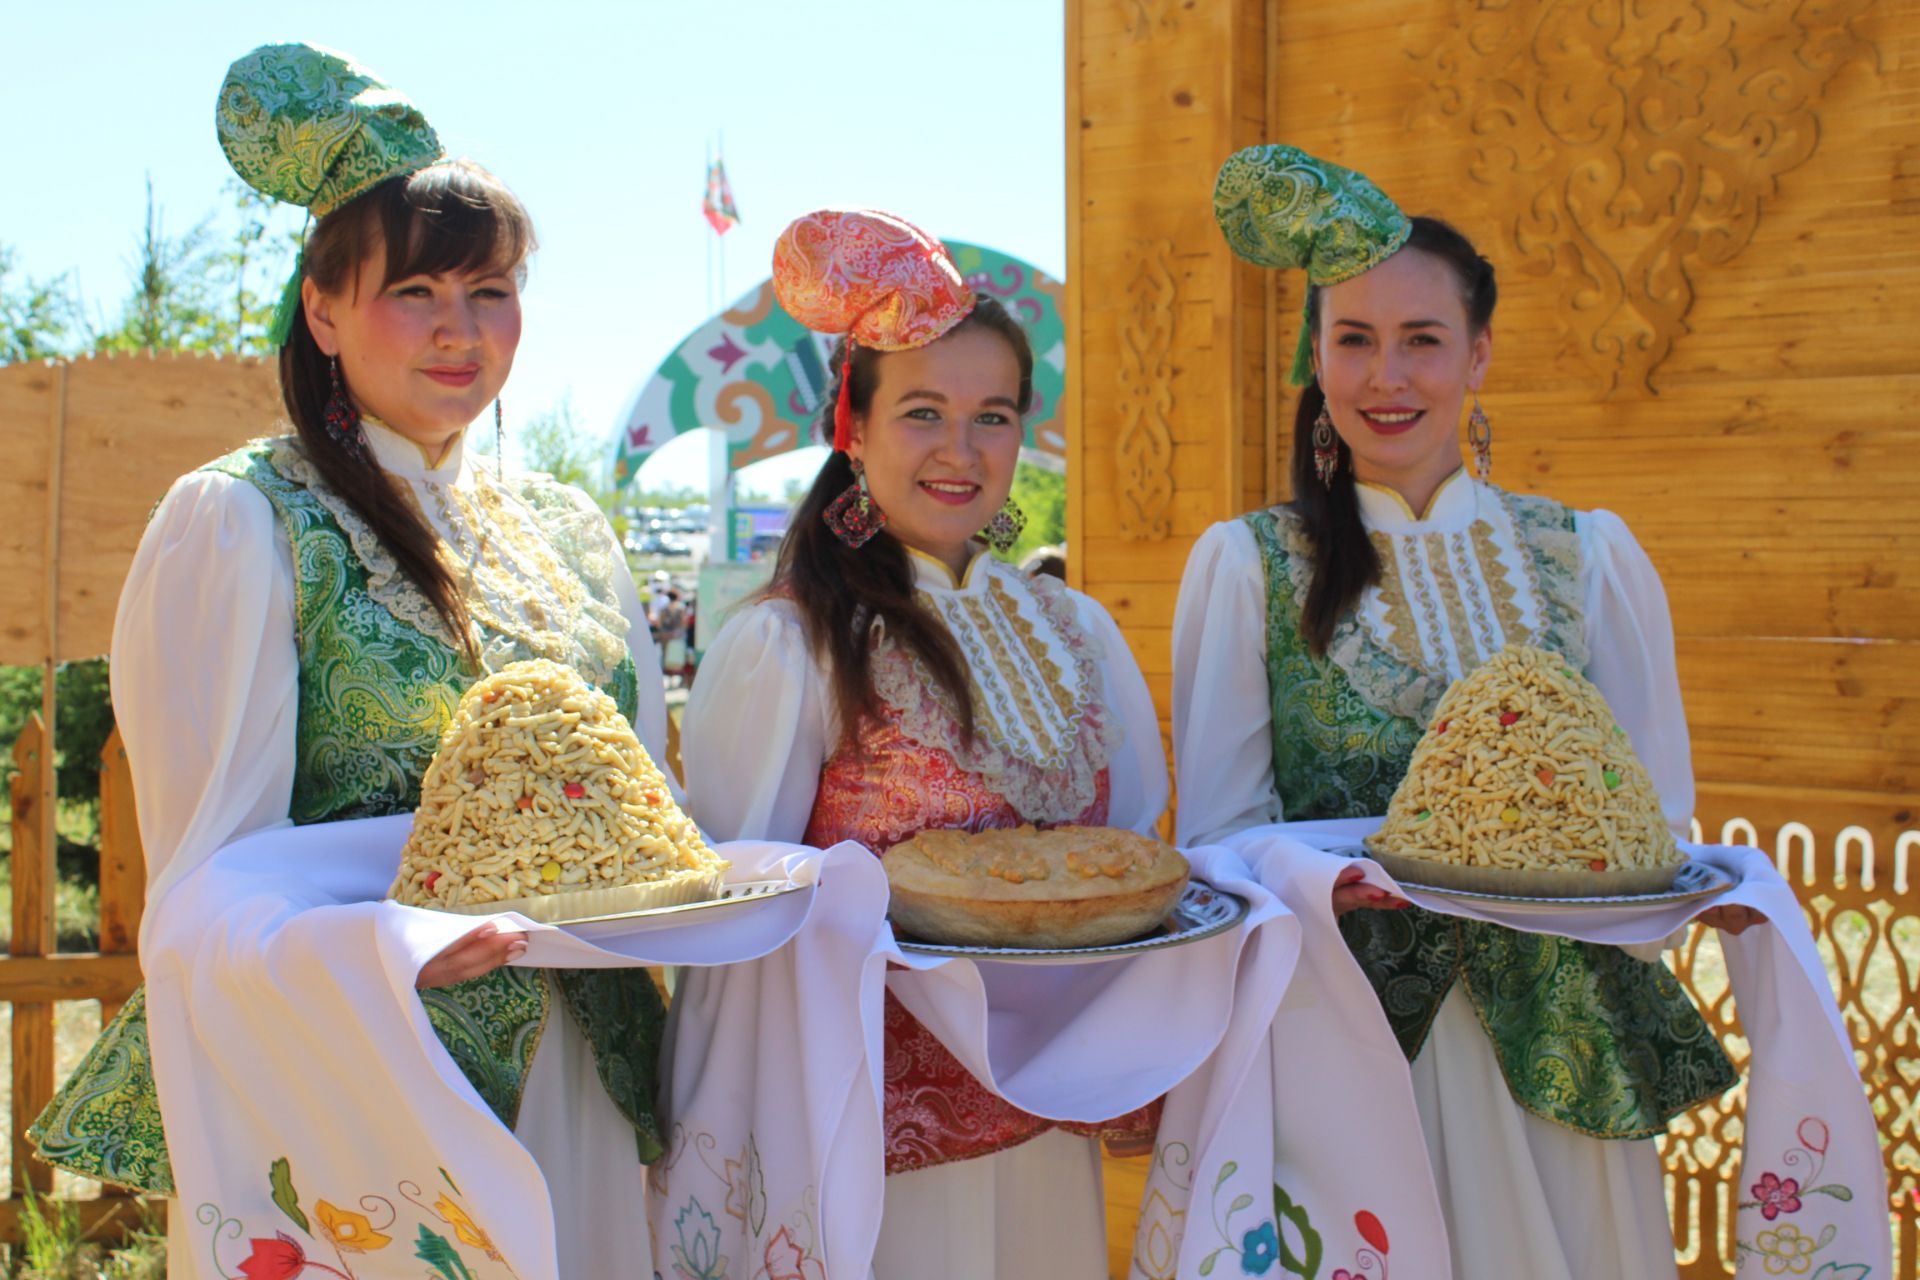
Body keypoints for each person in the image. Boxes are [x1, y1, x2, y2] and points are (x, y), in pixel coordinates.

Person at [30, 43, 670, 1278]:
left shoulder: (574, 534)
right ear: (322, 310)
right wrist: (385, 942)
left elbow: (648, 812)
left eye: (490, 291)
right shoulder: (245, 519)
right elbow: (209, 887)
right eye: (415, 291)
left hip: (584, 1083)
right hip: (365, 1085)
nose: (458, 330)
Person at [1173, 144, 1762, 1279]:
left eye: (1422, 340)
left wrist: (1693, 889)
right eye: (1354, 339)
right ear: (1318, 358)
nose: (1385, 375)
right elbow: (1218, 840)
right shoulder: (1249, 563)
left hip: (1565, 1045)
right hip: (1349, 1039)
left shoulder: (1585, 553)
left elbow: (1653, 809)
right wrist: (1315, 881)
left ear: (1479, 353)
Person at [681, 209, 1167, 1280]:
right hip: (861, 1141)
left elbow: (1130, 860)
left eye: (992, 415)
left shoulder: (1076, 630)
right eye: (923, 411)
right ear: (851, 427)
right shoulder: (789, 641)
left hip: (1046, 1122)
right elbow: (733, 914)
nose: (961, 449)